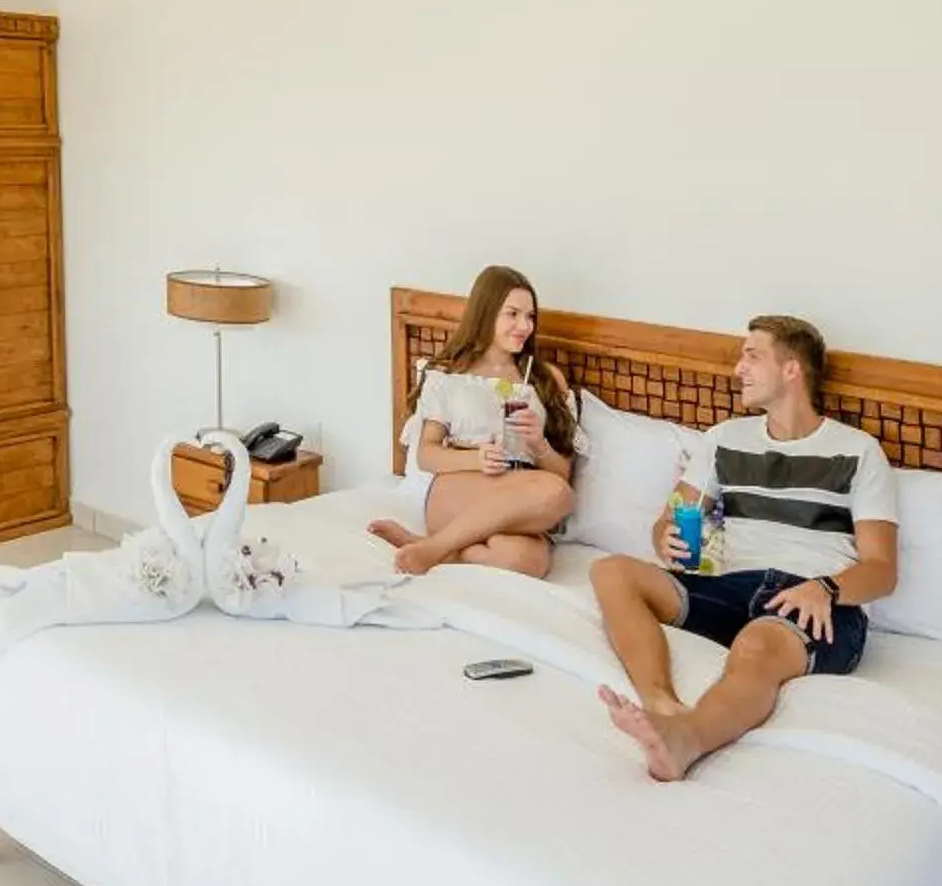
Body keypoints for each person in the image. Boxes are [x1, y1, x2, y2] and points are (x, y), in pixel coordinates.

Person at [590, 314, 898, 781]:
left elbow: (881, 569)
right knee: (611, 571)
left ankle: (686, 739)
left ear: (792, 369)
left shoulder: (858, 451)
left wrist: (827, 589)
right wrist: (665, 538)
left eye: (752, 356)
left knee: (757, 644)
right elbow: (670, 519)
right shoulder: (722, 440)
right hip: (730, 586)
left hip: (813, 599)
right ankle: (660, 702)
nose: (739, 369)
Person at [367, 265, 577, 577]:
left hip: (522, 496)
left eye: (530, 316)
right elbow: (426, 455)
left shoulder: (545, 379)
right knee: (557, 493)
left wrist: (539, 444)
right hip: (458, 489)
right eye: (513, 314)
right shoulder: (450, 376)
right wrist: (477, 458)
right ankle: (436, 548)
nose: (525, 326)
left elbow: (563, 473)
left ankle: (433, 547)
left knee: (531, 559)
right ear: (486, 312)